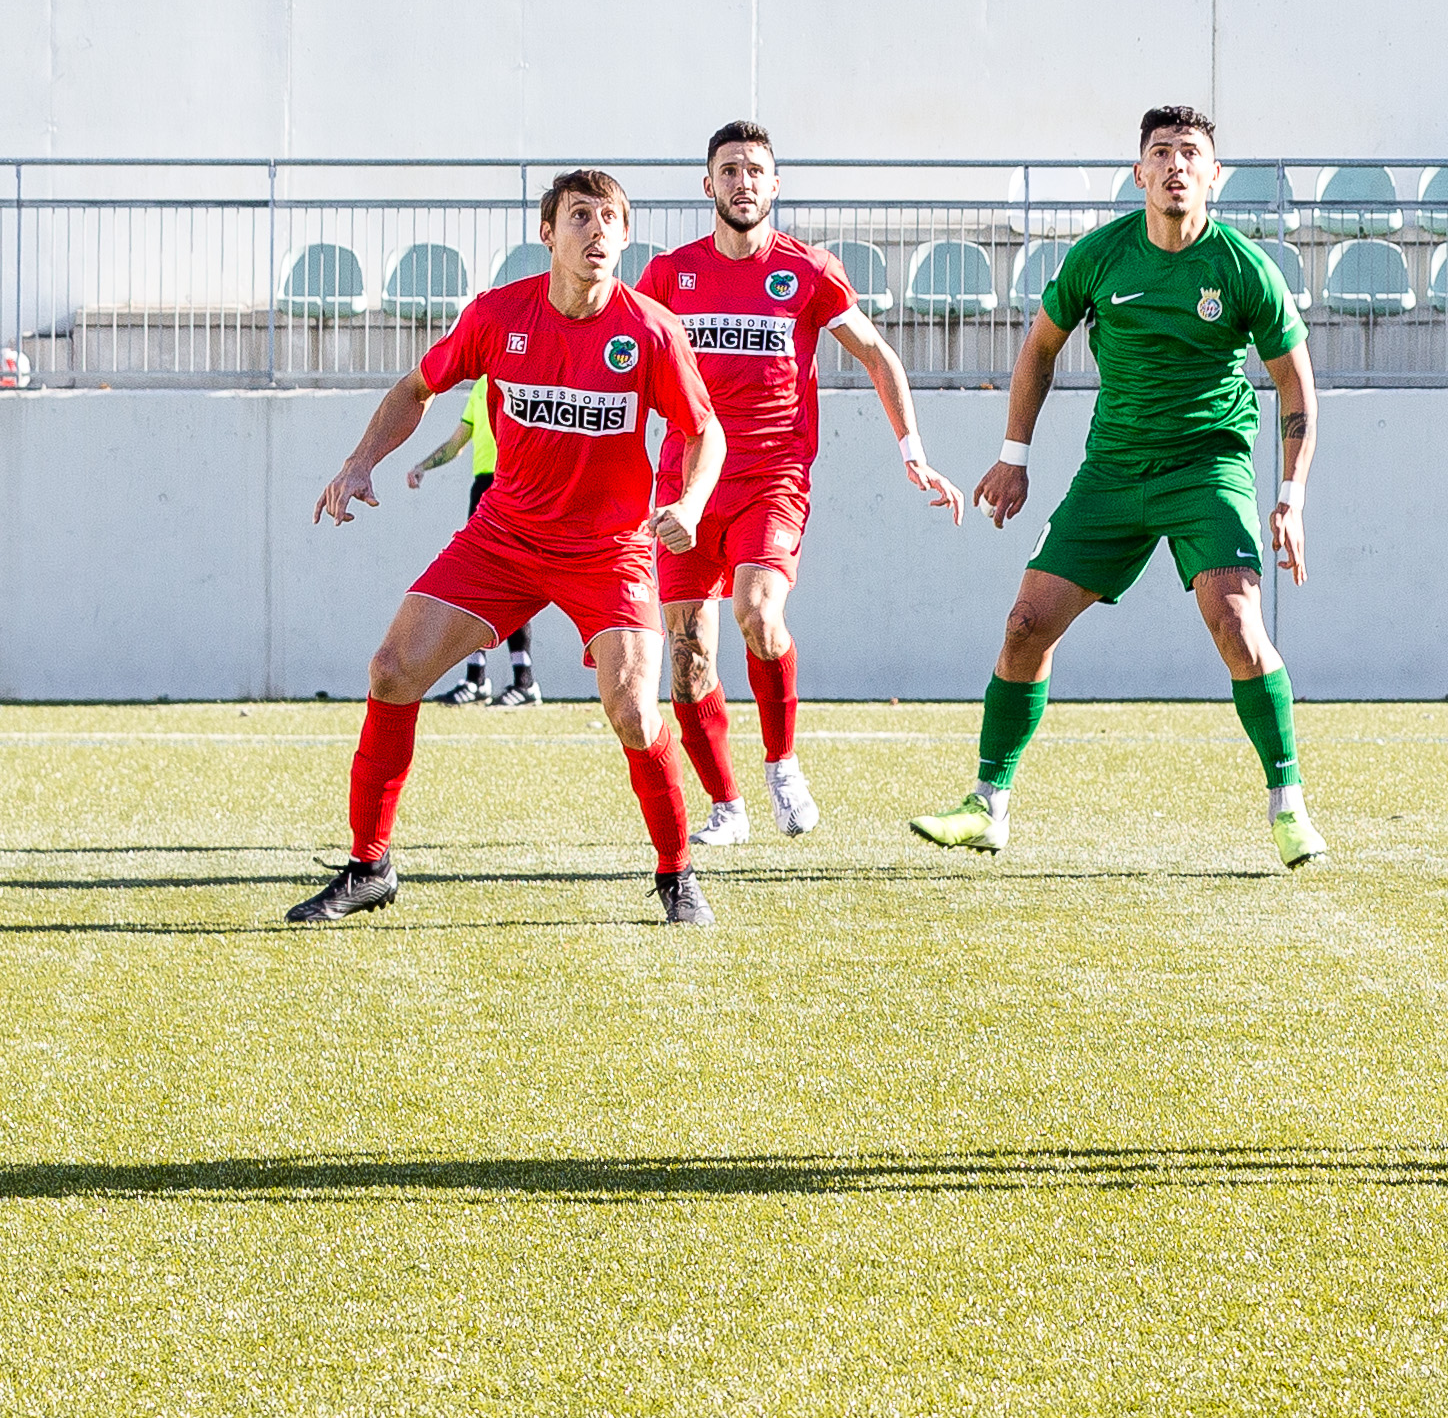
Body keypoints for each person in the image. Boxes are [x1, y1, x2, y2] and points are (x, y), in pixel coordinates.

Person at [293, 169, 724, 925]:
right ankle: (369, 866)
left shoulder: (651, 329)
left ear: (625, 237)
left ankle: (676, 873)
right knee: (391, 671)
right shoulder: (498, 315)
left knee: (631, 711)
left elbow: (704, 430)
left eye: (611, 219)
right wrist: (361, 461)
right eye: (579, 215)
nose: (597, 230)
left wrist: (688, 501)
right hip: (504, 538)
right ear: (547, 233)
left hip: (609, 551)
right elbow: (414, 388)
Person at [908, 106, 1326, 869]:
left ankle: (1287, 803)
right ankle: (987, 804)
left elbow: (1296, 389)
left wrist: (1291, 496)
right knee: (1024, 624)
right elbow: (1039, 348)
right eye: (1160, 152)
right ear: (1138, 172)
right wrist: (1013, 454)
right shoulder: (1101, 256)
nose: (1174, 165)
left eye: (1189, 153)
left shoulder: (1243, 268)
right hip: (1111, 471)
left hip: (1207, 466)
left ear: (1213, 175)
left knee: (1235, 624)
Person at [639, 121, 963, 845]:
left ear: (774, 185)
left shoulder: (808, 270)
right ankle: (727, 806)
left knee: (758, 611)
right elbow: (629, 372)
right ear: (708, 185)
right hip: (686, 486)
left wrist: (911, 449)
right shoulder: (668, 276)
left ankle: (782, 765)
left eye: (756, 169)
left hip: (771, 478)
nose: (742, 180)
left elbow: (877, 354)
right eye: (728, 169)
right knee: (687, 660)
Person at [405, 379, 540, 705]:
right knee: (479, 583)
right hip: (484, 491)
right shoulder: (480, 387)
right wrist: (423, 465)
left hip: (516, 487)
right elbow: (456, 444)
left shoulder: (525, 376)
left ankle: (525, 681)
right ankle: (477, 678)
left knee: (515, 582)